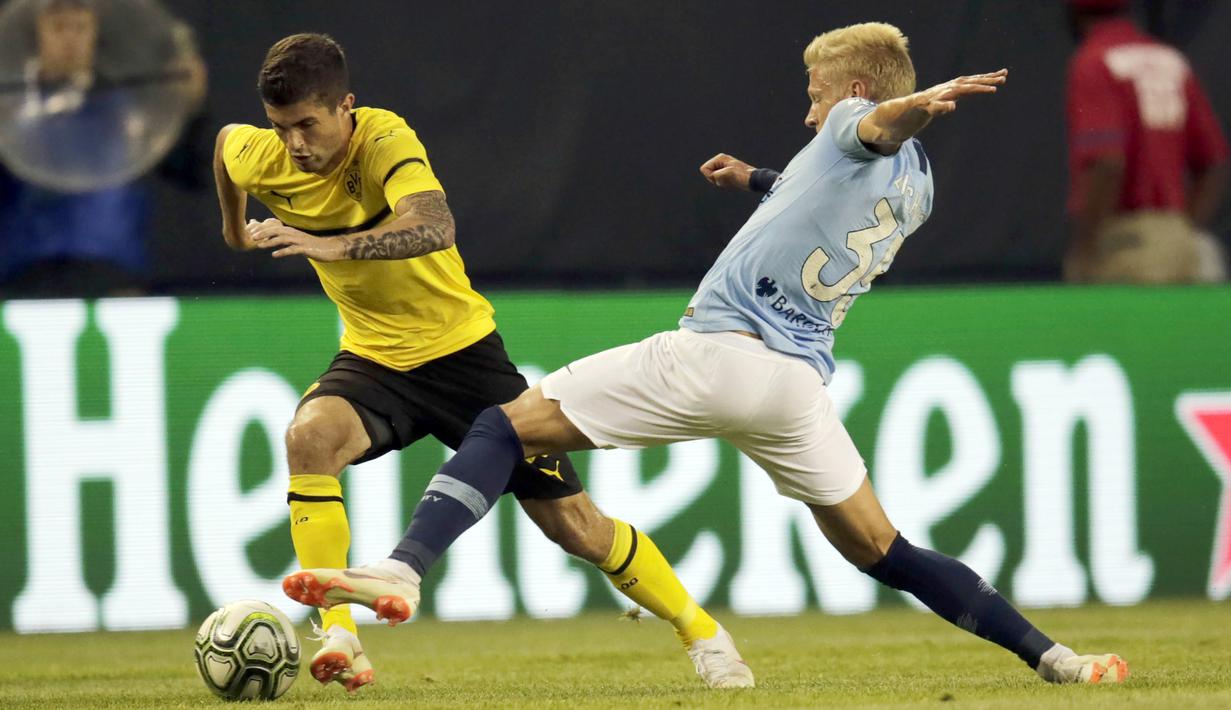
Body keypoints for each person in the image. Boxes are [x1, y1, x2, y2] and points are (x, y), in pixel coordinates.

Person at [284, 22, 1130, 687]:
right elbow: (826, 191)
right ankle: (1055, 659)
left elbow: (874, 126)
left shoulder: (854, 121)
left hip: (720, 352)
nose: (809, 113)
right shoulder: (919, 187)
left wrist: (917, 103)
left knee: (502, 427)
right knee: (884, 549)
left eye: (815, 95)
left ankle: (403, 571)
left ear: (852, 91)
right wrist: (755, 180)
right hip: (794, 390)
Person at [214, 33, 747, 694]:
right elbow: (226, 147)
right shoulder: (263, 154)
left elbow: (434, 226)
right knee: (309, 437)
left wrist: (334, 246)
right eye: (281, 127)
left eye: (307, 125)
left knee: (575, 527)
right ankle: (341, 634)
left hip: (465, 358)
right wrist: (235, 232)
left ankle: (703, 633)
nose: (294, 144)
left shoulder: (383, 140)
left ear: (345, 106)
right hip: (374, 359)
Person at [1063, 0, 1228, 283]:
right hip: (1179, 239)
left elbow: (1107, 163)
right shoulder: (1170, 59)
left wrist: (1086, 244)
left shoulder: (1095, 59)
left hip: (1126, 241)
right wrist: (1183, 229)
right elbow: (1213, 162)